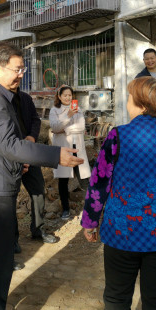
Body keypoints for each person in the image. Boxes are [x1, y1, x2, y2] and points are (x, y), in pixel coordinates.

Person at [0, 43, 84, 310]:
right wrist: (54, 155)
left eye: (23, 69)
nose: (21, 74)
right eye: (17, 69)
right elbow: (9, 144)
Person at [81, 76, 156, 310]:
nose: (127, 103)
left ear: (143, 106)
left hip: (123, 231)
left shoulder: (118, 136)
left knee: (117, 297)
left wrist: (90, 220)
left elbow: (100, 181)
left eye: (130, 99)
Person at [13, 87, 58, 250]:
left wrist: (32, 137)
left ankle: (38, 229)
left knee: (38, 191)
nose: (18, 77)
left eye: (20, 74)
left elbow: (35, 120)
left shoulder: (25, 98)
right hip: (10, 153)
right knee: (10, 196)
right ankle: (12, 238)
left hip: (30, 151)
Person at [49, 85, 91, 220]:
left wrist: (65, 129)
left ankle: (91, 207)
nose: (68, 98)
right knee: (63, 180)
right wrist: (68, 116)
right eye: (65, 95)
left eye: (70, 95)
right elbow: (54, 127)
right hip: (63, 149)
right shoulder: (54, 110)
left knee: (83, 178)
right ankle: (65, 209)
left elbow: (81, 127)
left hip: (77, 148)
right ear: (59, 96)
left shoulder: (78, 109)